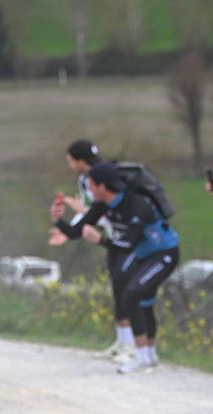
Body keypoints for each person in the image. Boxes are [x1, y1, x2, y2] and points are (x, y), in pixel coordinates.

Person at [52, 162, 180, 374]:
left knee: (132, 295)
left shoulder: (136, 204)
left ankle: (140, 356)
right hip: (143, 256)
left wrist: (100, 240)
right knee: (144, 301)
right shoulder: (102, 205)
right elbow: (76, 232)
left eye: (91, 185)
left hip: (164, 253)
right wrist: (57, 220)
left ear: (103, 186)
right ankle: (149, 355)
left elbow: (128, 244)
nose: (88, 190)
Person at [49, 139, 134, 362]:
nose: (69, 165)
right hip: (107, 235)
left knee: (126, 289)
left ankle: (132, 345)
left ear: (80, 160)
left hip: (121, 235)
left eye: (70, 161)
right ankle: (122, 342)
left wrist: (78, 214)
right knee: (117, 287)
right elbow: (92, 213)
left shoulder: (97, 177)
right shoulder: (86, 179)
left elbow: (101, 208)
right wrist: (69, 229)